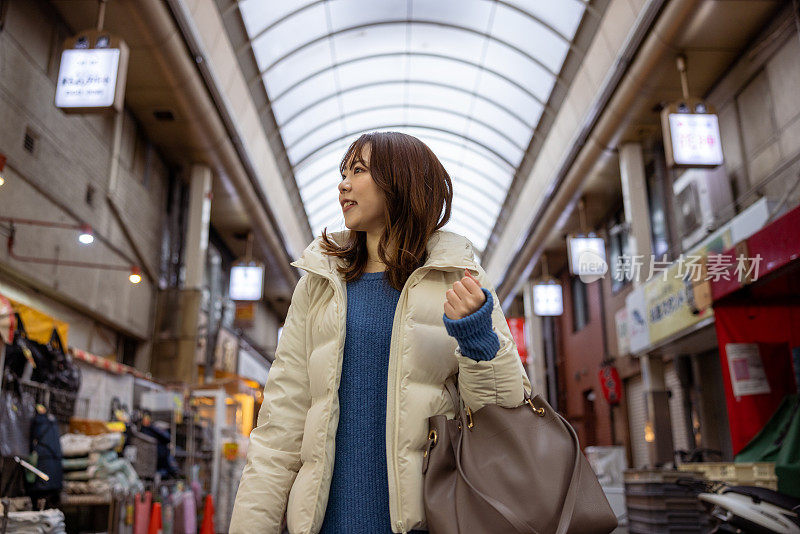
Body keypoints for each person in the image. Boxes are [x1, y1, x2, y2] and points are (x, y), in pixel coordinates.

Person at [230, 131, 531, 534]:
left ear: (400, 182)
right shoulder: (319, 285)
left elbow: (504, 413)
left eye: (359, 170)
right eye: (343, 172)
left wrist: (477, 337)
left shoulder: (459, 278)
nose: (343, 183)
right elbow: (278, 431)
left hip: (429, 522)